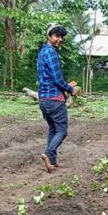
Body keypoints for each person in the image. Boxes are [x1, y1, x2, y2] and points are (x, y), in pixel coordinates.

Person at [37, 24, 78, 173]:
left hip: (43, 99)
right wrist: (70, 89)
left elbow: (49, 78)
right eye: (56, 36)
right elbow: (57, 79)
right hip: (54, 99)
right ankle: (48, 154)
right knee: (62, 130)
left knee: (53, 129)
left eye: (61, 37)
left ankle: (52, 161)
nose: (60, 39)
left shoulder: (42, 52)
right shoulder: (51, 53)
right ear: (49, 36)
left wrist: (66, 86)